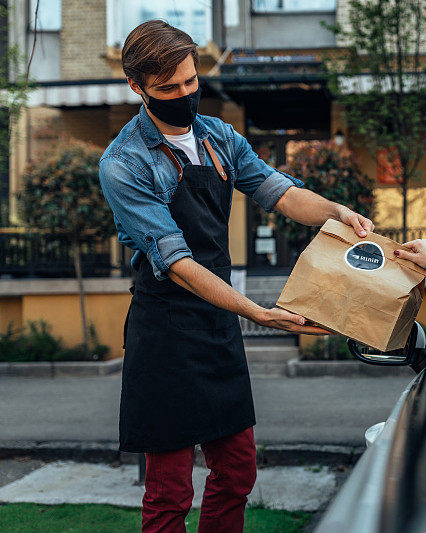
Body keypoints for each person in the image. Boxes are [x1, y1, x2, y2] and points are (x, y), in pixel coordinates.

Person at [98, 20, 372, 533]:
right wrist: (255, 312)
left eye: (189, 81)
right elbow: (176, 262)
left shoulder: (219, 137)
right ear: (136, 87)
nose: (184, 95)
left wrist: (337, 211)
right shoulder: (124, 163)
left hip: (217, 328)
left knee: (237, 472)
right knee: (169, 492)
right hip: (166, 329)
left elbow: (280, 192)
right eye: (168, 88)